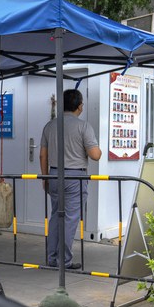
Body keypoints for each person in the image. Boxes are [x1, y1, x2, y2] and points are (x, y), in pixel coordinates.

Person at [40, 89, 101, 269]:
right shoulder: (84, 126)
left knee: (55, 217)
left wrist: (45, 177)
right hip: (75, 176)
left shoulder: (50, 126)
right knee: (70, 219)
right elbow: (95, 155)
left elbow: (42, 155)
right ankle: (64, 261)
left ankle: (51, 258)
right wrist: (98, 149)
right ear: (80, 106)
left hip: (52, 174)